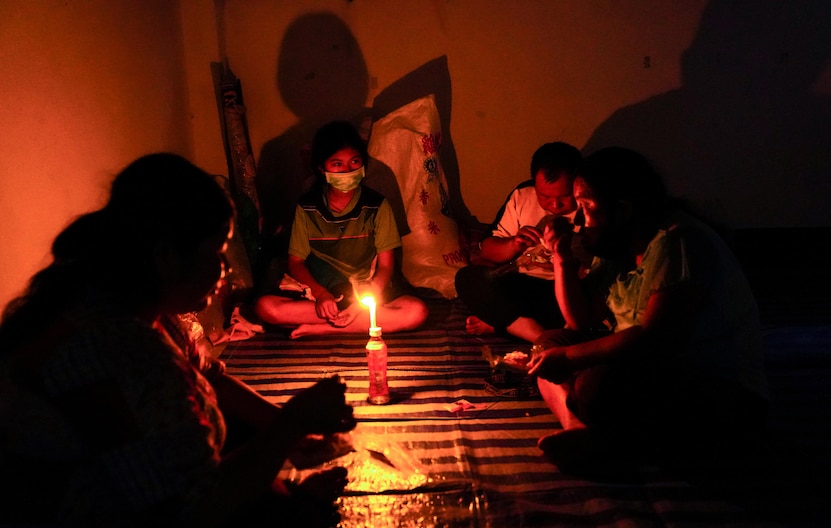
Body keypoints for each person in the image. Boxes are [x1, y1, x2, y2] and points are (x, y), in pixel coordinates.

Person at [0, 153, 357, 528]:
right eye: (217, 251)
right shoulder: (117, 347)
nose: (225, 270)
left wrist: (290, 438)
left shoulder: (134, 306)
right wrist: (290, 427)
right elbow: (192, 514)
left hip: (122, 512)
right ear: (167, 256)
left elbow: (207, 377)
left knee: (243, 436)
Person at [528, 146, 770, 469]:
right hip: (649, 370)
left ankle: (620, 446)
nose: (579, 220)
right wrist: (561, 259)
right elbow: (579, 319)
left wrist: (571, 359)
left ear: (623, 210)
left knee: (595, 384)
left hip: (723, 395)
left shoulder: (678, 241)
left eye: (586, 207)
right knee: (547, 345)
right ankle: (582, 430)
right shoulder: (618, 245)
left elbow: (654, 338)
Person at [254, 120, 429, 338]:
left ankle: (323, 328)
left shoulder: (376, 205)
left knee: (416, 312)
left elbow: (385, 266)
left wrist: (359, 304)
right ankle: (356, 323)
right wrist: (321, 295)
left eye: (354, 162)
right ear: (321, 167)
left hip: (367, 291)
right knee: (266, 308)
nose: (347, 170)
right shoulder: (307, 207)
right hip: (323, 291)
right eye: (337, 164)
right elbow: (296, 262)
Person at [454, 142, 582, 343]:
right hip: (522, 284)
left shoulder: (590, 203)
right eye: (545, 197)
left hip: (565, 290)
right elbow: (487, 251)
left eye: (565, 196)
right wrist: (514, 244)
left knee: (585, 306)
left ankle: (505, 324)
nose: (555, 205)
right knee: (468, 278)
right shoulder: (523, 196)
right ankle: (540, 337)